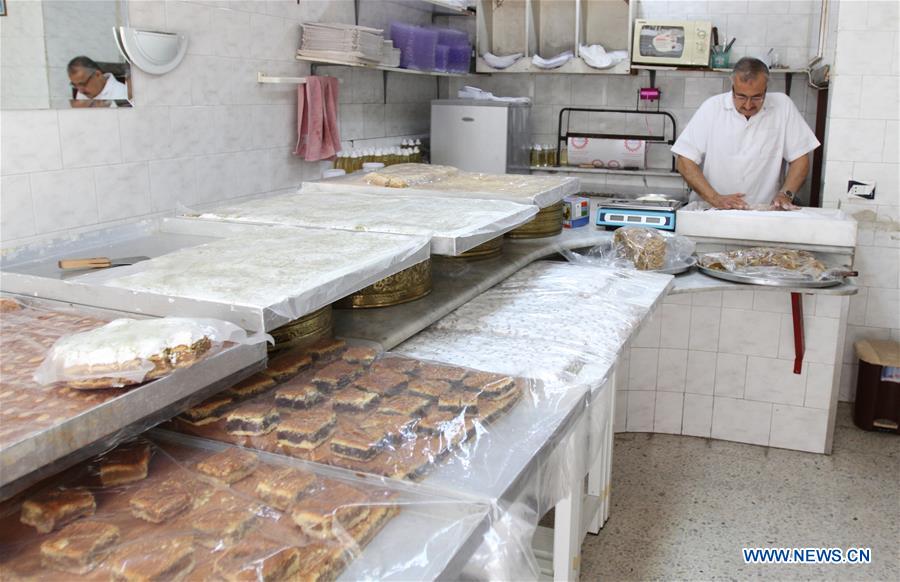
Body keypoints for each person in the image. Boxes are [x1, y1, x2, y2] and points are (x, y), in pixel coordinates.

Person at [671, 57, 820, 210]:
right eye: (741, 96)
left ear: (766, 89)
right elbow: (685, 160)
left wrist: (786, 194)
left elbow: (800, 158)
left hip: (764, 211)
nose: (748, 105)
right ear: (733, 86)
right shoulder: (712, 108)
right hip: (713, 210)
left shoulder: (783, 106)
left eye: (757, 97)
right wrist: (715, 198)